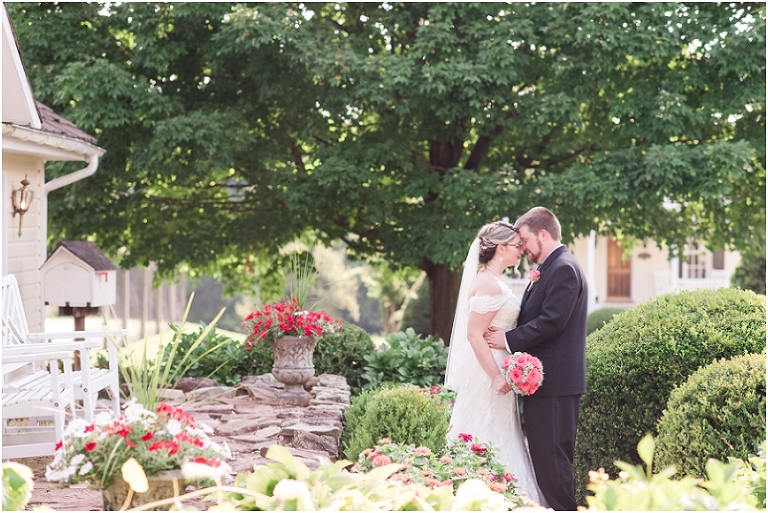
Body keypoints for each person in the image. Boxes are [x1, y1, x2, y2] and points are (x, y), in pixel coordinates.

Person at [485, 206, 588, 511]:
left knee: (553, 465)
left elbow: (552, 321)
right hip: (544, 384)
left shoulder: (564, 268)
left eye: (525, 239)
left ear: (543, 234)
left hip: (555, 384)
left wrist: (506, 339)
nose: (523, 247)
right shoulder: (550, 268)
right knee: (546, 462)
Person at [445, 220, 545, 507]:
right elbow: (474, 334)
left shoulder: (494, 280)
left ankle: (501, 495)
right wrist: (497, 377)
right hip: (488, 373)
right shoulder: (487, 283)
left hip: (499, 365)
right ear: (501, 249)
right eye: (516, 246)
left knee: (503, 430)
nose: (521, 250)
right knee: (483, 429)